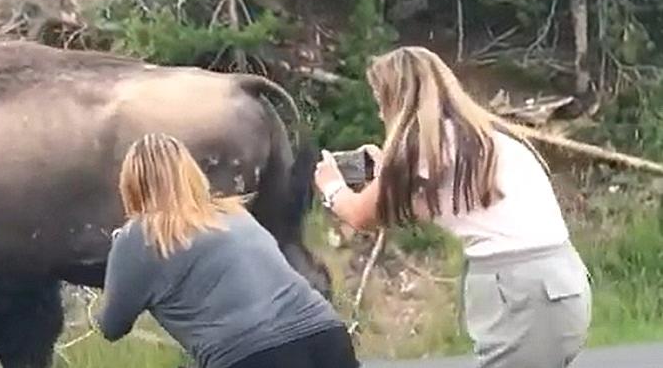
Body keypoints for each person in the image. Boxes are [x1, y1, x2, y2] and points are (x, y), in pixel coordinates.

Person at [313, 46, 591, 368]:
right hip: (557, 284)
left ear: (394, 97)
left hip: (523, 291)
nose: (380, 113)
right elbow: (429, 205)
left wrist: (331, 184)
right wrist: (386, 178)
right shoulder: (478, 134)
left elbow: (361, 215)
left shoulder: (424, 143)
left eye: (381, 101)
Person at [94, 133, 360, 368]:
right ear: (189, 173)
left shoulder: (139, 236)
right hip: (325, 332)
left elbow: (112, 326)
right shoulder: (234, 212)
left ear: (130, 183)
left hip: (249, 355)